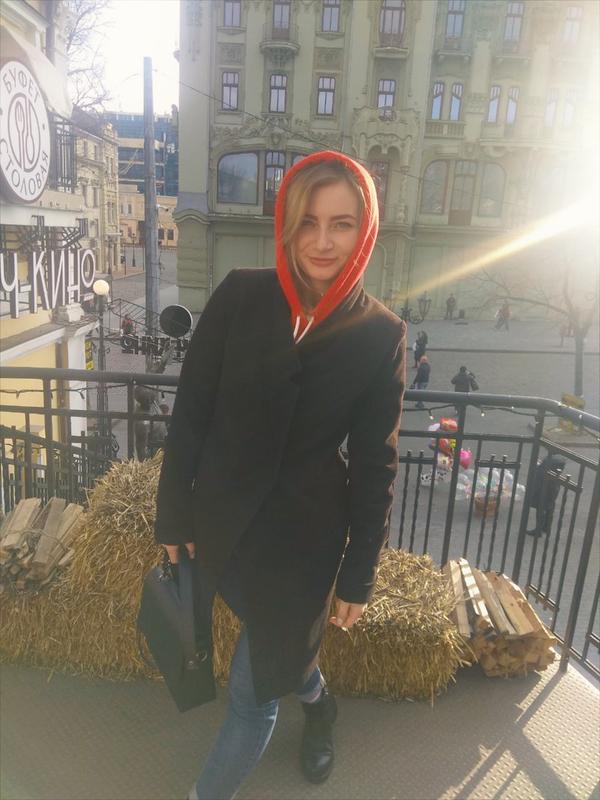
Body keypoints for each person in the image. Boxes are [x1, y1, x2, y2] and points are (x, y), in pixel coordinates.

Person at [154, 152, 406, 800]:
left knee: (253, 695)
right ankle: (319, 701)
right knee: (282, 653)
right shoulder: (240, 294)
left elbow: (375, 464)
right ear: (286, 226)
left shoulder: (380, 333)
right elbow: (192, 410)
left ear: (365, 231)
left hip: (302, 545)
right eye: (308, 222)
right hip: (223, 521)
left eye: (342, 224)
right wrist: (172, 513)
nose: (322, 241)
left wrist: (359, 573)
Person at [526, 454, 566, 537]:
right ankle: (546, 527)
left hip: (543, 488)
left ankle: (538, 530)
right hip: (553, 488)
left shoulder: (543, 467)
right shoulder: (557, 465)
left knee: (540, 507)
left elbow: (538, 479)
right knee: (549, 506)